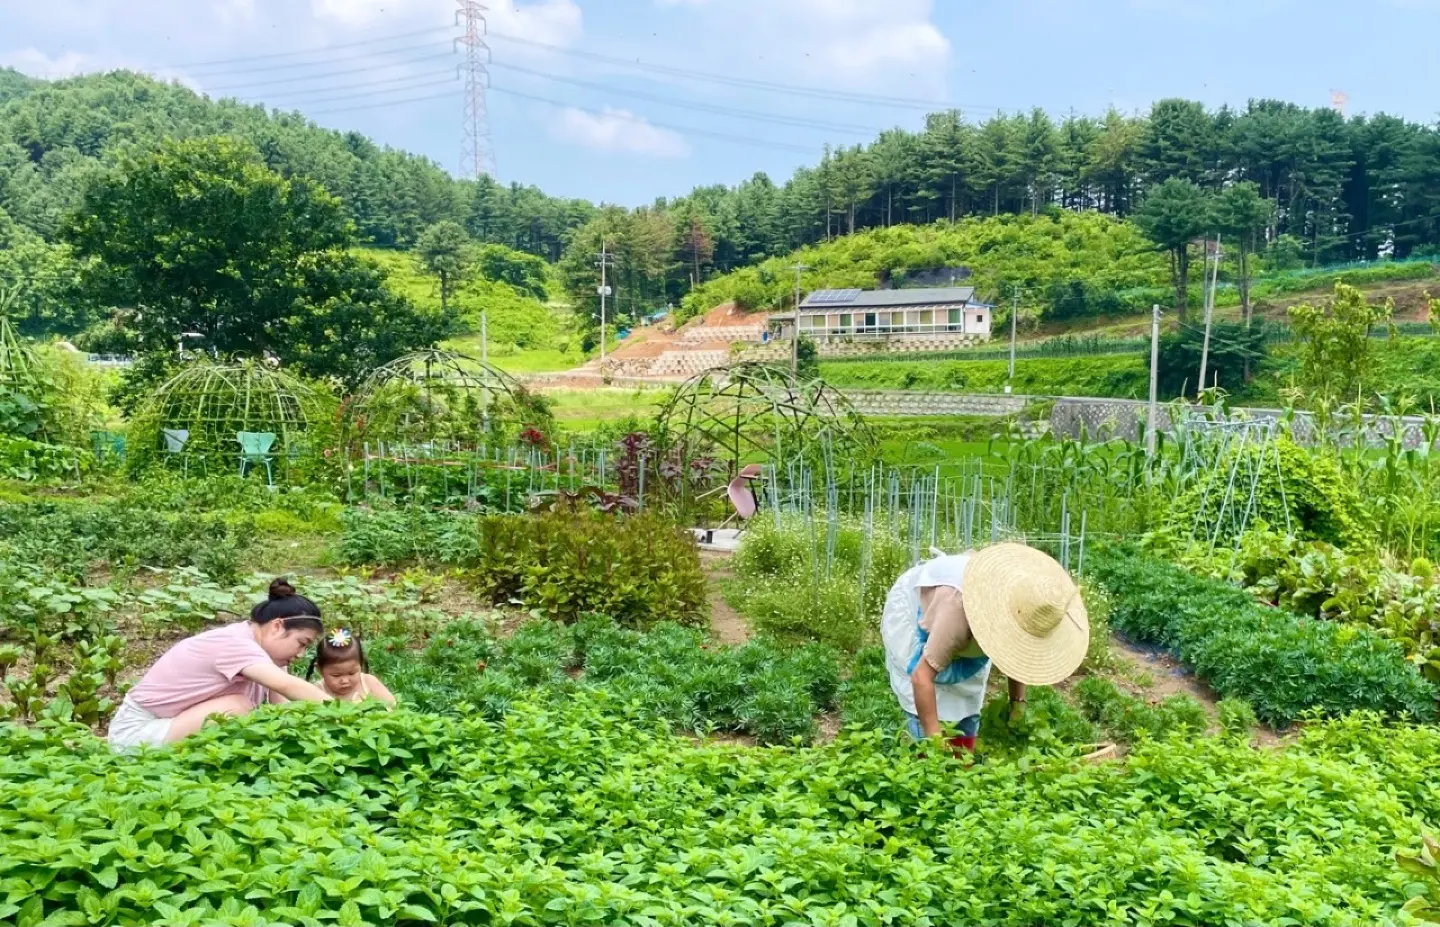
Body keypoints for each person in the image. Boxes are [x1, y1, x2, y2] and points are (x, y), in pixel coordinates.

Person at [881, 542, 1089, 755]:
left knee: (965, 725)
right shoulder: (956, 613)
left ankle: (962, 762)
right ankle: (925, 755)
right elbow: (921, 677)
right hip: (929, 612)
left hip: (959, 629)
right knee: (928, 743)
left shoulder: (1019, 606)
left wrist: (1018, 704)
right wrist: (935, 742)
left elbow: (1016, 653)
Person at [108, 579, 331, 750]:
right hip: (136, 735)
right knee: (238, 707)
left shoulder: (267, 657)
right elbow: (287, 686)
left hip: (170, 726)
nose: (301, 654)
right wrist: (352, 714)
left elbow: (285, 710)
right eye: (301, 643)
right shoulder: (235, 643)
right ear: (277, 626)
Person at [305, 628, 395, 706]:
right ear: (319, 669)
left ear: (361, 665)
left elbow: (392, 706)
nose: (345, 681)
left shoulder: (369, 683)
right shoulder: (317, 690)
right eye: (336, 675)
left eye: (351, 673)